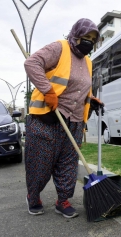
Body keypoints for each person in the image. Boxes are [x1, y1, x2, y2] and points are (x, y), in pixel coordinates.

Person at [24, 18, 103, 218]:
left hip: (74, 121)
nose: (89, 42)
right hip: (47, 118)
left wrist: (91, 99)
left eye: (93, 39)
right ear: (75, 35)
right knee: (40, 165)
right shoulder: (59, 48)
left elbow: (81, 88)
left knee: (68, 164)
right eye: (86, 37)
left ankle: (63, 200)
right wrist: (48, 90)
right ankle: (33, 197)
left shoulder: (88, 61)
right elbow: (32, 63)